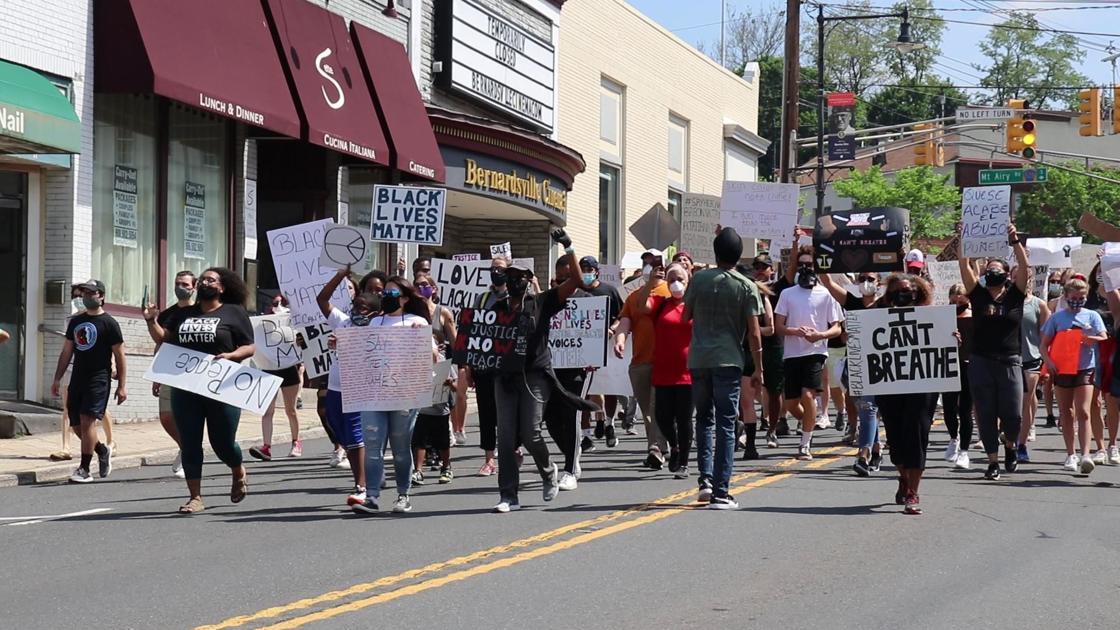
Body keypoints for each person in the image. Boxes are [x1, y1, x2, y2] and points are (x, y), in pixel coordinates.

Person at [143, 268, 253, 513]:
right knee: (190, 443)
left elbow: (250, 347)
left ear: (222, 287)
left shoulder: (234, 312)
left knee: (223, 443)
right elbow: (164, 339)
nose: (205, 282)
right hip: (186, 387)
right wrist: (151, 320)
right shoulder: (185, 314)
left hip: (221, 387)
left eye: (211, 280)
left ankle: (238, 469)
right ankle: (195, 497)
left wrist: (232, 355)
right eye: (202, 279)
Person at [489, 229, 582, 514]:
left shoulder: (543, 302)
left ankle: (548, 469)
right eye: (511, 275)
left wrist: (568, 246)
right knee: (505, 436)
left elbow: (577, 281)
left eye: (522, 276)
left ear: (530, 281)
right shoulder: (497, 307)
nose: (516, 280)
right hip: (504, 376)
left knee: (530, 432)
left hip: (534, 376)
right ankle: (508, 495)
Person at [683, 227, 763, 509]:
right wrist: (759, 368)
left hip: (699, 358)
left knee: (703, 419)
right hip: (729, 359)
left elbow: (685, 317)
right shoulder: (746, 286)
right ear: (740, 255)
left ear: (715, 253)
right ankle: (721, 490)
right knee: (726, 424)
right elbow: (754, 333)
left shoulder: (698, 280)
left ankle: (705, 482)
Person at [353, 277, 434, 515]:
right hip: (375, 393)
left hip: (403, 395)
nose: (386, 297)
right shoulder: (373, 323)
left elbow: (432, 358)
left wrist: (423, 342)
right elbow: (362, 356)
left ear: (406, 298)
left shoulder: (415, 322)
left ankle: (403, 495)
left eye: (392, 293)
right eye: (384, 293)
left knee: (400, 447)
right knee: (373, 445)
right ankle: (372, 497)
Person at [958, 221, 1031, 480]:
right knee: (985, 412)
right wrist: (964, 238)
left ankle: (1010, 444)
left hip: (1010, 361)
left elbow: (1024, 267)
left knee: (1013, 416)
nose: (993, 273)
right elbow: (963, 265)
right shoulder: (977, 295)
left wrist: (1014, 240)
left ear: (1006, 274)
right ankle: (992, 460)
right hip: (981, 361)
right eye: (989, 270)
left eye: (998, 270)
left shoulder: (1015, 296)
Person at [873, 274, 937, 514]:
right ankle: (904, 477)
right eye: (899, 291)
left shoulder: (931, 316)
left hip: (923, 385)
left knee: (918, 433)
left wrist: (952, 340)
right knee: (896, 438)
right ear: (890, 295)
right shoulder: (877, 315)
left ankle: (913, 490)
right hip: (889, 385)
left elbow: (942, 342)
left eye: (909, 290)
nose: (905, 294)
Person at [774, 242, 844, 461]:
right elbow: (779, 326)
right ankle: (809, 424)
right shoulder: (787, 294)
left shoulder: (826, 295)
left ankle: (805, 443)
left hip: (815, 352)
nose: (806, 269)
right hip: (792, 353)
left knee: (807, 395)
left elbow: (837, 328)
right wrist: (794, 331)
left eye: (810, 265)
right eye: (802, 265)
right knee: (791, 403)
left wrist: (820, 335)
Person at [51, 279, 126, 484]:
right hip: (78, 377)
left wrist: (122, 386)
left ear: (101, 296)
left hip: (98, 378)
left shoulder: (109, 323)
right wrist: (57, 378)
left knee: (87, 421)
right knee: (76, 425)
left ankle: (84, 469)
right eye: (84, 293)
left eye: (91, 293)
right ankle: (102, 450)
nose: (86, 297)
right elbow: (67, 351)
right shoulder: (76, 322)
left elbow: (120, 355)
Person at [317, 268, 378, 510]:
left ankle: (361, 487)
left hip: (359, 389)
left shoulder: (377, 328)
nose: (358, 310)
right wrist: (340, 277)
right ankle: (364, 478)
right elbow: (322, 300)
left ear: (374, 311)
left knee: (354, 436)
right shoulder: (344, 322)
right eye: (356, 305)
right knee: (340, 432)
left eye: (364, 307)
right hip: (335, 387)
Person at [817, 271, 881, 475]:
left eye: (871, 279)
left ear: (879, 283)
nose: (866, 283)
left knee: (868, 407)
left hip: (880, 364)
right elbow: (827, 281)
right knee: (865, 407)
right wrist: (823, 256)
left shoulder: (886, 305)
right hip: (857, 363)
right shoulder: (852, 302)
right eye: (862, 279)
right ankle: (876, 448)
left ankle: (864, 454)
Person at [1042, 278, 1107, 475]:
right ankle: (1071, 453)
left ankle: (1086, 453)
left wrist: (1090, 338)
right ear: (1066, 296)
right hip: (1062, 368)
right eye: (1074, 297)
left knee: (1083, 411)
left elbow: (1104, 338)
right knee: (1066, 412)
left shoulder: (1092, 315)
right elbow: (1044, 345)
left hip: (1085, 368)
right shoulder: (1057, 318)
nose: (1078, 301)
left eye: (1082, 297)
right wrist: (1050, 363)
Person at [614, 250, 671, 468]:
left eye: (655, 263)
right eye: (647, 263)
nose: (652, 267)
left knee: (657, 406)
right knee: (647, 410)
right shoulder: (634, 296)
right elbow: (626, 321)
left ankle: (655, 448)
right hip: (640, 361)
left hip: (665, 361)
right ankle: (659, 446)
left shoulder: (671, 292)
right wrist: (620, 338)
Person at [640, 263, 695, 478]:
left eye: (680, 279)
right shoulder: (661, 304)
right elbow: (641, 307)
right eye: (671, 279)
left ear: (688, 281)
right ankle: (674, 445)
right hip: (663, 370)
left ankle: (683, 462)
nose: (676, 283)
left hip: (687, 372)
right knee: (662, 417)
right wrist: (650, 281)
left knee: (683, 418)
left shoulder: (694, 304)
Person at [542, 257, 588, 490]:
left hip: (576, 369)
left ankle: (570, 468)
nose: (563, 284)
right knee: (550, 418)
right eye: (558, 280)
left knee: (571, 416)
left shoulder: (588, 302)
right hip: (549, 368)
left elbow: (596, 334)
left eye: (568, 279)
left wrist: (593, 357)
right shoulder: (548, 301)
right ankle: (572, 452)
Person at [145, 270, 196, 477]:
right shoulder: (168, 314)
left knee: (189, 418)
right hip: (170, 370)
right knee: (167, 417)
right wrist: (151, 320)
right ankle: (188, 448)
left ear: (194, 287)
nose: (180, 288)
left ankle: (189, 455)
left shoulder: (202, 312)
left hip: (195, 373)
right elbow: (161, 342)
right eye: (177, 283)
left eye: (184, 284)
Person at [410, 271, 458, 486]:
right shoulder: (409, 314)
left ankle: (446, 465)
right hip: (416, 372)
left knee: (439, 422)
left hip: (439, 370)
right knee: (419, 424)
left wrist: (459, 371)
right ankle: (417, 469)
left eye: (424, 285)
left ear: (433, 288)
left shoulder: (442, 313)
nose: (421, 289)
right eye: (417, 286)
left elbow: (456, 344)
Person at [249, 293, 303, 461]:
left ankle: (296, 441)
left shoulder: (292, 323)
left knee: (290, 409)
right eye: (275, 302)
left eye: (281, 303)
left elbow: (302, 342)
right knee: (267, 411)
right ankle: (266, 446)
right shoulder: (263, 324)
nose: (278, 306)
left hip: (288, 369)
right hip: (268, 369)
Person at [470, 256, 511, 476]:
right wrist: (469, 365)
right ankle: (489, 458)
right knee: (486, 412)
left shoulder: (516, 297)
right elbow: (471, 330)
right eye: (493, 269)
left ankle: (514, 448)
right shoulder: (482, 298)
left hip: (508, 365)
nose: (496, 272)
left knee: (508, 410)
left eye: (500, 269)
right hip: (485, 365)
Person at [577, 256, 624, 446]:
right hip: (582, 346)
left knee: (608, 387)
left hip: (606, 344)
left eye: (589, 269)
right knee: (584, 389)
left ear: (596, 271)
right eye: (582, 269)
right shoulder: (575, 292)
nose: (586, 272)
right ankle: (586, 433)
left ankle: (609, 423)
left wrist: (612, 329)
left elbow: (622, 316)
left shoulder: (609, 291)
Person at [735, 263, 775, 460]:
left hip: (749, 352)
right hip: (729, 351)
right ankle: (737, 430)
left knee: (747, 400)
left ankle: (750, 444)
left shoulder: (761, 297)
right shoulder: (729, 298)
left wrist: (753, 330)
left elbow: (771, 328)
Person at [751, 253, 789, 446]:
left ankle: (772, 429)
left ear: (772, 270)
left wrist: (795, 243)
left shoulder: (778, 288)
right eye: (756, 266)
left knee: (774, 391)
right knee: (748, 390)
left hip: (773, 346)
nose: (759, 270)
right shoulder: (747, 287)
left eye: (763, 266)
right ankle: (748, 428)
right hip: (749, 347)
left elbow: (791, 269)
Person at [1016, 280, 1051, 462]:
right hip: (1008, 359)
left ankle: (1021, 444)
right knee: (1009, 404)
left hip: (1031, 359)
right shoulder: (1005, 303)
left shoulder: (1039, 305)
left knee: (1026, 401)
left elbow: (1046, 337)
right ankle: (1010, 435)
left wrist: (1046, 365)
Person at [942, 284, 975, 470]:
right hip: (948, 366)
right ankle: (954, 438)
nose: (956, 304)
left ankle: (964, 451)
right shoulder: (944, 317)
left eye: (960, 301)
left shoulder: (973, 317)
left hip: (968, 366)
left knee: (965, 409)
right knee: (949, 407)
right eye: (953, 301)